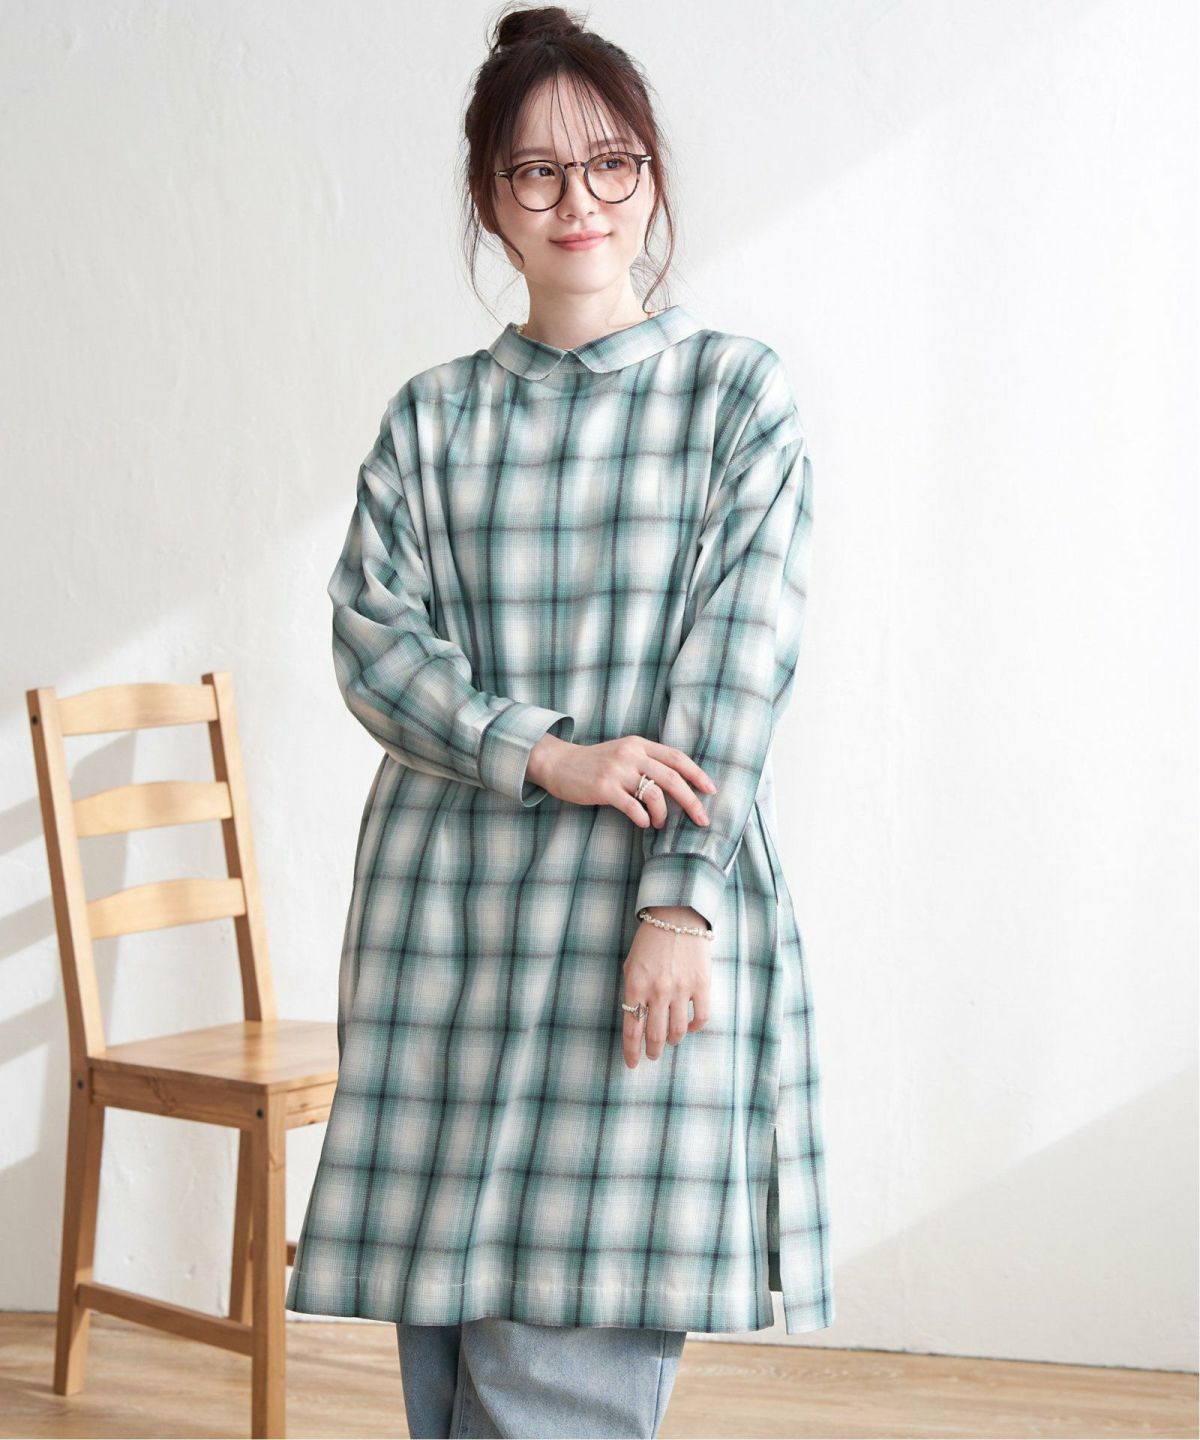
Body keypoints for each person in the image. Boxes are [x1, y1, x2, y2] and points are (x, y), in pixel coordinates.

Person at [284, 4, 835, 1435]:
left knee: (560, 1380)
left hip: (630, 933)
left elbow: (740, 666)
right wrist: (547, 753)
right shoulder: (431, 420)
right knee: (449, 1374)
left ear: (650, 177)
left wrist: (681, 905)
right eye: (536, 171)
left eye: (610, 163)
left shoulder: (734, 398)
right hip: (444, 937)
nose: (578, 199)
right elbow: (370, 642)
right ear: (490, 200)